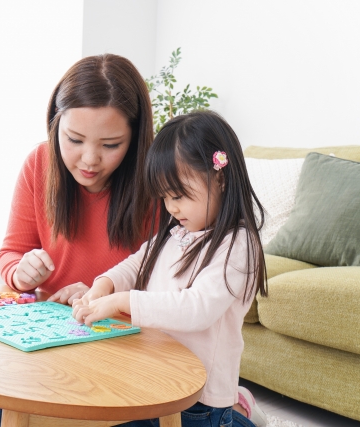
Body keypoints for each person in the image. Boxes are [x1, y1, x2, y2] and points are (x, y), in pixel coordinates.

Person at [0, 53, 155, 427]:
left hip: (122, 344)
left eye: (111, 145)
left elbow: (171, 286)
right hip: (52, 337)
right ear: (55, 124)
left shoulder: (156, 183)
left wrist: (99, 293)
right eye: (74, 139)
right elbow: (11, 252)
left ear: (136, 139)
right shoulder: (39, 164)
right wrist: (20, 273)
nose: (89, 160)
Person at [72, 110, 269, 427]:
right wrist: (105, 285)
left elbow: (197, 308)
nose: (170, 207)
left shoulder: (238, 245)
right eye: (164, 196)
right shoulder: (179, 232)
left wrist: (123, 301)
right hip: (155, 383)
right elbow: (136, 262)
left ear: (220, 178)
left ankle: (238, 414)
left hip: (199, 401)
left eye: (178, 195)